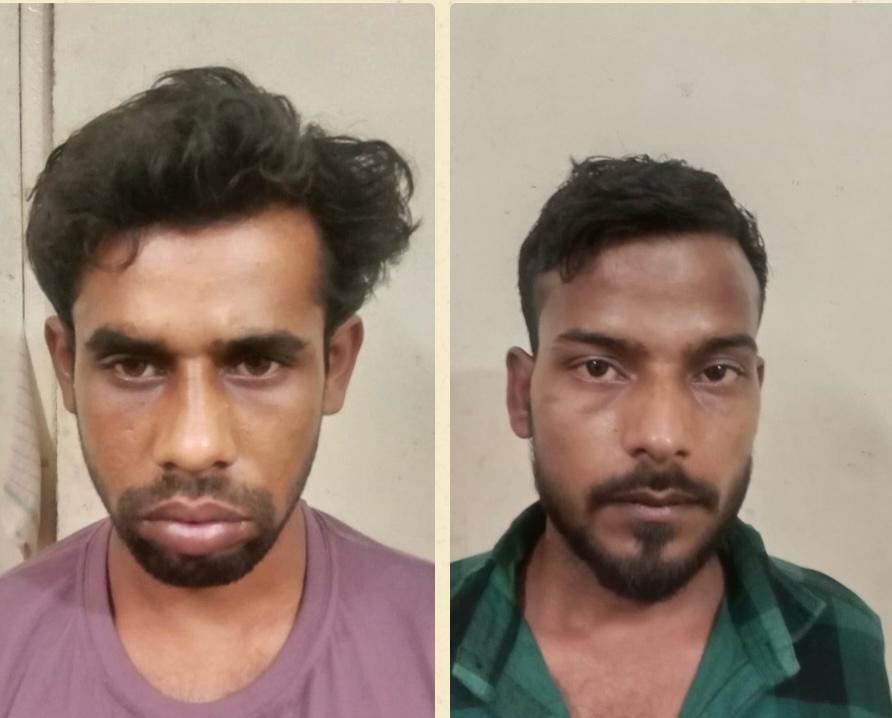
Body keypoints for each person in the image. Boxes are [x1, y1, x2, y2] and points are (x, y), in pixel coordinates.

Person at [0, 66, 432, 717]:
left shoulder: (445, 653)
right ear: (66, 366)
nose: (195, 445)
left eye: (255, 363)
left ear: (336, 365)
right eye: (134, 366)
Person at [451, 156, 891, 717]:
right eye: (598, 368)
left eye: (715, 373)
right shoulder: (422, 629)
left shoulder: (841, 638)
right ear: (521, 395)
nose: (661, 437)